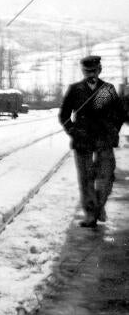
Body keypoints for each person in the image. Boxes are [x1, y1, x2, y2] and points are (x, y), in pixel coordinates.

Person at [59, 55, 126, 228]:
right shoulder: (75, 90)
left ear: (99, 70)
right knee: (86, 179)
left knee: (106, 177)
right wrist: (73, 131)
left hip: (104, 139)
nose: (91, 74)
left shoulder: (108, 89)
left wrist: (113, 131)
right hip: (83, 140)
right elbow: (64, 115)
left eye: (94, 70)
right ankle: (91, 215)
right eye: (87, 71)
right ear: (83, 71)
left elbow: (120, 114)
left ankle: (99, 206)